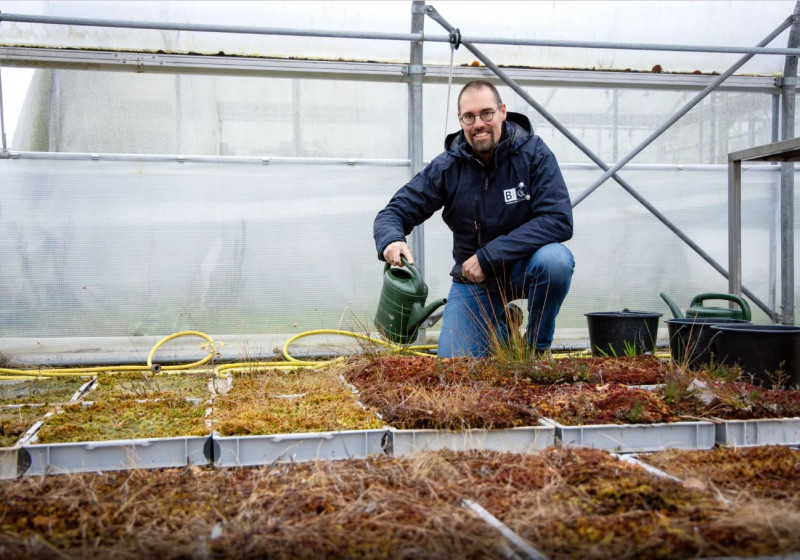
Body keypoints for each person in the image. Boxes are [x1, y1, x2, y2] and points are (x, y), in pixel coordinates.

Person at [373, 80, 574, 358]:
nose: (478, 123)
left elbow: (558, 219)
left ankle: (536, 349)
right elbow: (394, 211)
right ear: (460, 120)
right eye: (469, 116)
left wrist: (488, 256)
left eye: (486, 113)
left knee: (556, 261)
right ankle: (504, 327)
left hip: (524, 268)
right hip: (474, 281)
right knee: (456, 365)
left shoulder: (533, 154)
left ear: (503, 111)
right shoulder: (448, 167)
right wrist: (392, 239)